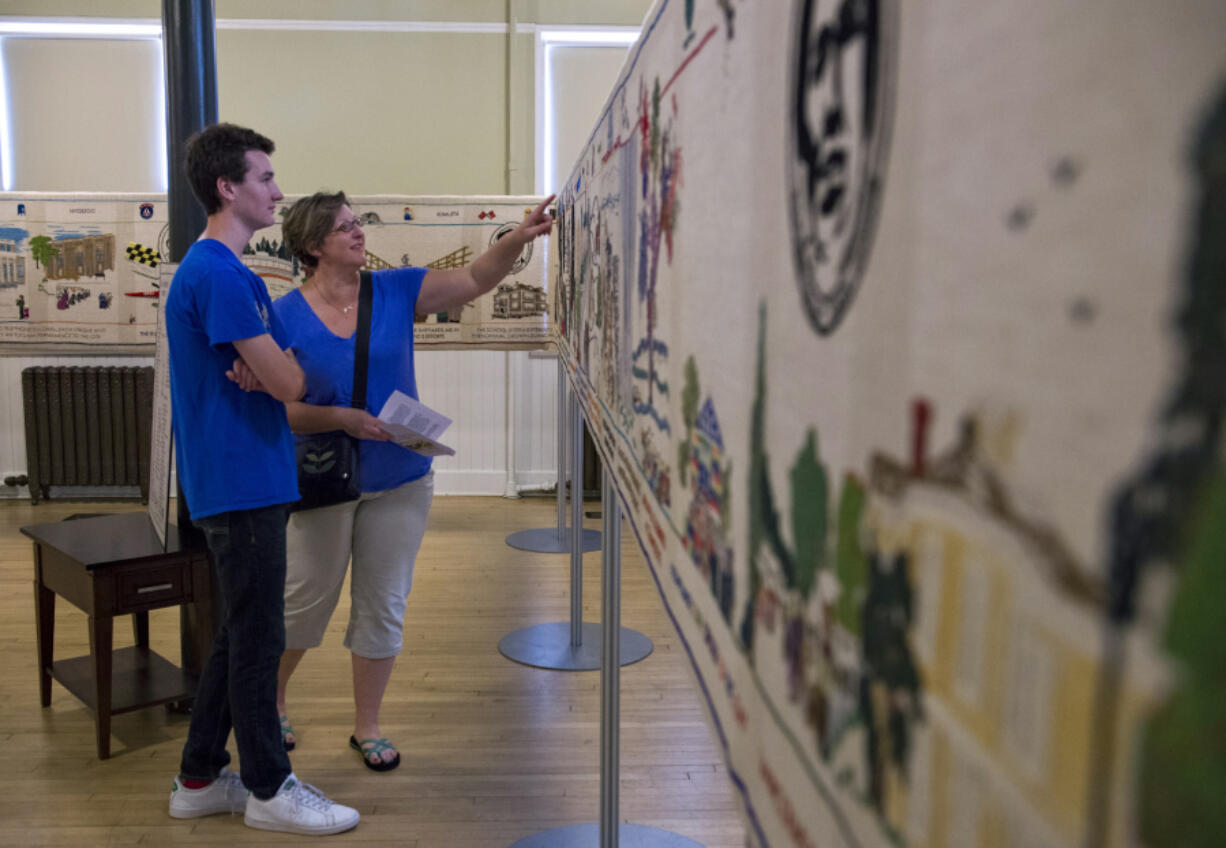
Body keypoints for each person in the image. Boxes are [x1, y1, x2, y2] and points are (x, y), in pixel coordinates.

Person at [243, 190, 552, 771]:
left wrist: (517, 237)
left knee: (383, 605)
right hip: (321, 482)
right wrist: (342, 418)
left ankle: (368, 726)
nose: (359, 233)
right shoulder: (280, 316)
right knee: (305, 601)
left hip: (402, 478)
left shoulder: (395, 289)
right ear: (313, 246)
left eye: (357, 223)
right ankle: (274, 699)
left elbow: (472, 280)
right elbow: (279, 411)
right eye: (344, 228)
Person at [162, 122, 360, 835]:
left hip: (249, 477)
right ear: (228, 187)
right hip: (241, 480)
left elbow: (284, 373)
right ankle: (270, 788)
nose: (278, 191)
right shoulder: (217, 272)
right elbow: (288, 379)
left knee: (239, 633)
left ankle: (198, 776)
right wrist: (277, 366)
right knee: (258, 640)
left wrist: (277, 366)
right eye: (266, 179)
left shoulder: (232, 273)